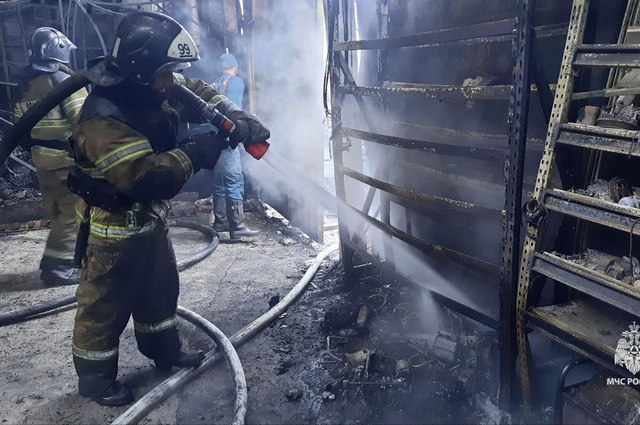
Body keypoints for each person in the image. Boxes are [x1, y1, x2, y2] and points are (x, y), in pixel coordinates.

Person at [68, 12, 270, 406]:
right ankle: (95, 379)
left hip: (147, 222)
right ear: (142, 73)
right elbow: (145, 178)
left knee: (159, 290)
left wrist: (237, 117)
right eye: (165, 73)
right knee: (104, 304)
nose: (171, 81)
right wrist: (197, 153)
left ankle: (165, 351)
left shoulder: (151, 86)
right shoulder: (102, 118)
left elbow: (197, 91)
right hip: (111, 227)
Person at [12, 27, 88, 286]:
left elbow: (18, 127)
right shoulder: (64, 82)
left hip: (42, 161)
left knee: (57, 214)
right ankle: (59, 268)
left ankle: (50, 262)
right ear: (61, 51)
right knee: (71, 214)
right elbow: (84, 121)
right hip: (66, 161)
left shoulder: (25, 84)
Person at [211, 53, 260, 239]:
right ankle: (237, 227)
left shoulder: (213, 83)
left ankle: (221, 222)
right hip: (228, 137)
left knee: (220, 180)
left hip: (214, 138)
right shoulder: (236, 82)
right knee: (234, 178)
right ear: (236, 67)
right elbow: (235, 111)